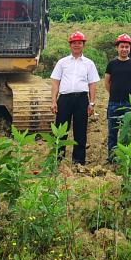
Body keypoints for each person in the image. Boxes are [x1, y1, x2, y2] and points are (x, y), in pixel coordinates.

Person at [50, 31, 101, 165]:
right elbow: (55, 82)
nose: (77, 45)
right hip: (65, 99)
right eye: (74, 43)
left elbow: (92, 84)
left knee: (80, 130)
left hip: (81, 99)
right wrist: (54, 101)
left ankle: (78, 161)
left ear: (83, 45)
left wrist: (92, 103)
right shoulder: (62, 62)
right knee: (61, 129)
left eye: (79, 43)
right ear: (70, 45)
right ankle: (58, 159)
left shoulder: (89, 63)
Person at [103, 31, 131, 164]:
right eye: (122, 47)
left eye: (127, 47)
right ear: (117, 48)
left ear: (129, 48)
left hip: (128, 103)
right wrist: (114, 93)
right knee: (112, 132)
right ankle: (112, 158)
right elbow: (107, 82)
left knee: (128, 131)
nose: (124, 49)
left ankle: (128, 157)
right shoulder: (112, 64)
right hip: (114, 102)